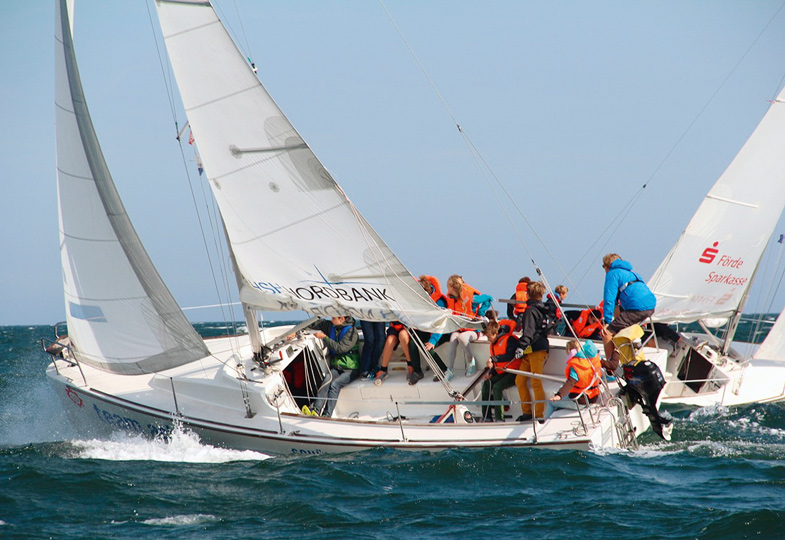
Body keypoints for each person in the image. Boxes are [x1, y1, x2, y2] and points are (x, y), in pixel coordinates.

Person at [600, 253, 657, 361]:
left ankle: (610, 366)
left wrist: (607, 322)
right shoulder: (631, 273)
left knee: (606, 332)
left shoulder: (612, 273)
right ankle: (620, 342)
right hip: (650, 307)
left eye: (603, 266)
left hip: (637, 309)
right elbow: (617, 302)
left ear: (607, 266)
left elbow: (609, 299)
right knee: (618, 311)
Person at [302, 315, 359, 417]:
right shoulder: (331, 326)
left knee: (335, 384)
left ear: (342, 319)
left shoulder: (352, 332)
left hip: (350, 369)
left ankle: (327, 415)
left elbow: (340, 349)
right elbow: (314, 323)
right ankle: (316, 409)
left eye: (333, 318)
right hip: (337, 367)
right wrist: (295, 331)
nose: (331, 320)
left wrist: (324, 337)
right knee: (327, 379)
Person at [513, 281, 553, 420]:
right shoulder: (544, 310)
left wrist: (520, 347)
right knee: (520, 380)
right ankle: (527, 412)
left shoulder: (530, 311)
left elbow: (528, 332)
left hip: (536, 349)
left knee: (536, 382)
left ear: (528, 294)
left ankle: (539, 415)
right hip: (534, 349)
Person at [442, 275, 487, 379]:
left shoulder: (472, 297)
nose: (447, 289)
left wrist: (480, 313)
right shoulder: (451, 298)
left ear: (452, 287)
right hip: (459, 328)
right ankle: (450, 369)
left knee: (462, 338)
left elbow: (488, 299)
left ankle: (471, 361)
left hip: (473, 330)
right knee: (453, 338)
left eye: (447, 286)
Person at [406, 275, 449, 385]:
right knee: (413, 342)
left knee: (427, 347)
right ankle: (417, 372)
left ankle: (444, 369)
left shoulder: (439, 302)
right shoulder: (420, 301)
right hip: (427, 330)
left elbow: (440, 324)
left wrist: (433, 341)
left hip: (442, 332)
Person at [544, 339, 602, 419]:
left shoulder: (575, 365)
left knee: (551, 403)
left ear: (569, 351)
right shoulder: (588, 360)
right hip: (593, 396)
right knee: (563, 391)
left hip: (580, 401)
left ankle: (543, 422)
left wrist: (559, 395)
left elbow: (571, 382)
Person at [480, 319, 521, 422]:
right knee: (487, 384)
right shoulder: (494, 343)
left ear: (496, 333)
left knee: (497, 387)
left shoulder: (510, 339)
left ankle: (499, 418)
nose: (488, 340)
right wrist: (491, 373)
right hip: (502, 371)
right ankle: (487, 416)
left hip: (514, 372)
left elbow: (509, 355)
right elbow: (497, 362)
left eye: (489, 337)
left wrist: (492, 359)